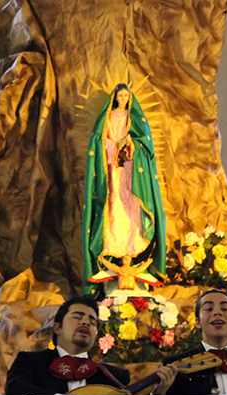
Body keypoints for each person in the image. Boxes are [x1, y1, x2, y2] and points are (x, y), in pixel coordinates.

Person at [82, 83, 167, 293]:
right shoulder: (108, 118)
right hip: (112, 172)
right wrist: (113, 146)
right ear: (115, 97)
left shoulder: (136, 118)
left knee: (133, 211)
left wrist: (131, 143)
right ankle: (116, 253)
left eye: (124, 95)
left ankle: (132, 251)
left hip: (133, 173)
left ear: (129, 97)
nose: (121, 98)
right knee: (114, 208)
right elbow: (99, 142)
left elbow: (145, 144)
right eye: (119, 95)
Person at [5, 295, 177, 395]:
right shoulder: (30, 362)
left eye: (92, 321)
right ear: (57, 327)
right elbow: (15, 389)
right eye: (78, 317)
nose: (86, 322)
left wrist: (158, 392)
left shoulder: (113, 377)